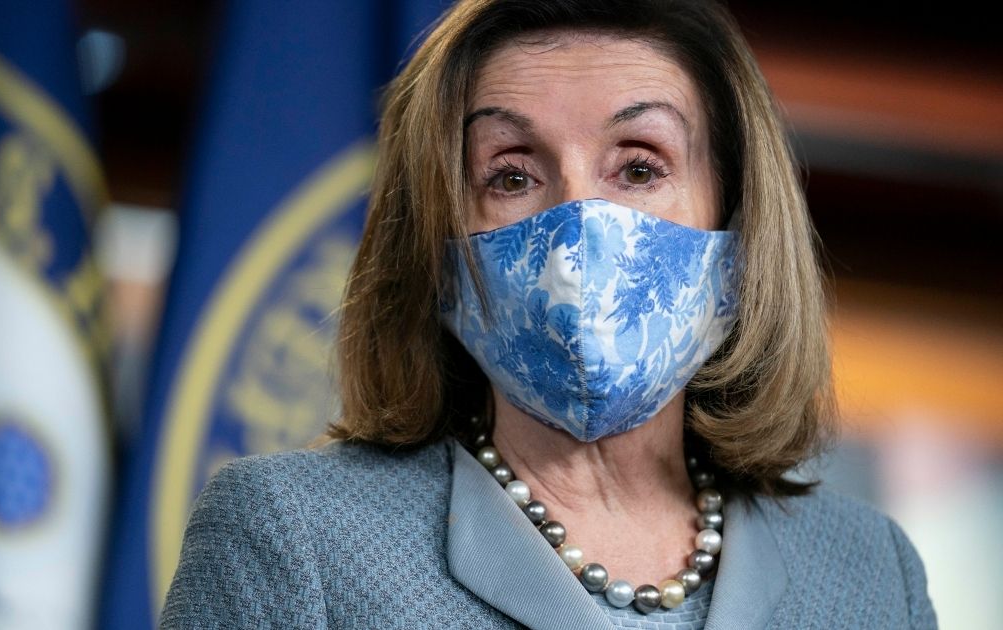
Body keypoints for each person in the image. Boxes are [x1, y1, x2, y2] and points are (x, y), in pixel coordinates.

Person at [160, 0, 937, 628]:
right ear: (435, 245)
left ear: (736, 223)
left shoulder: (870, 571)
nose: (577, 230)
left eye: (638, 167)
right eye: (511, 175)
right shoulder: (292, 534)